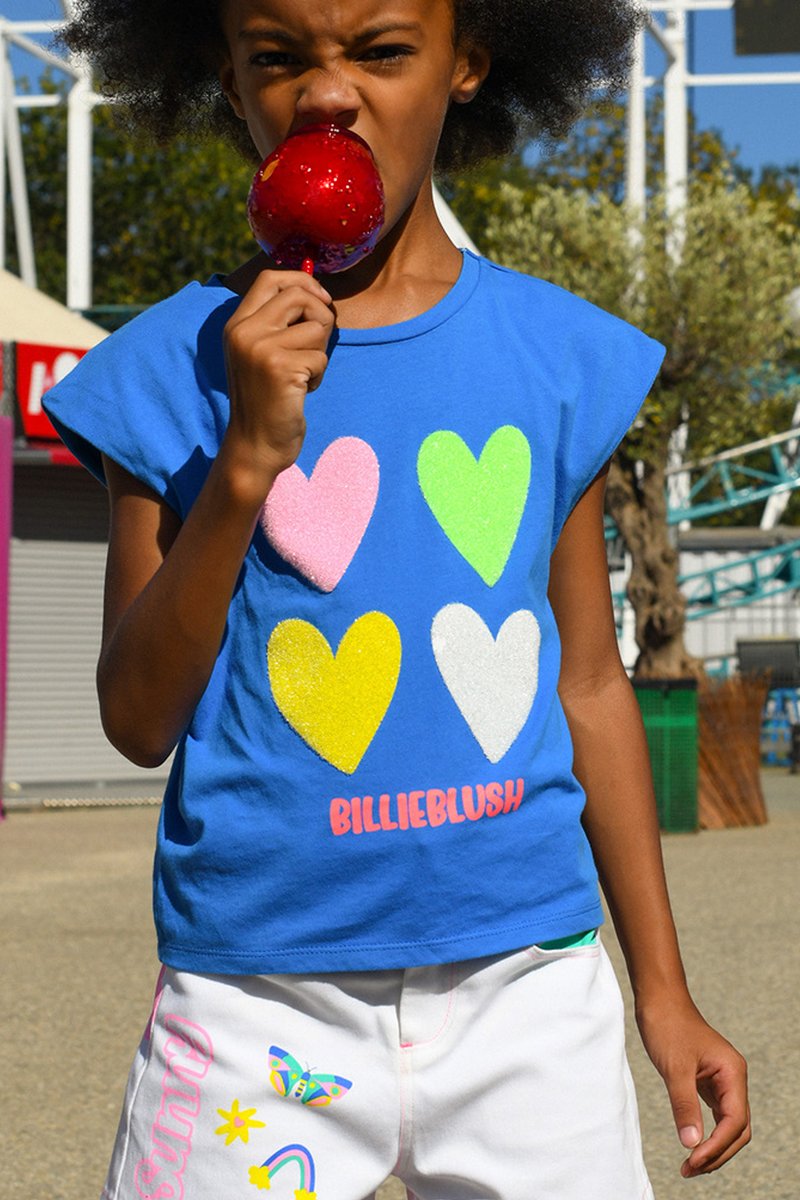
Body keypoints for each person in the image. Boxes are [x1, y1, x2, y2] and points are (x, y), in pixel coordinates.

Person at [44, 1, 750, 1197]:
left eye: (379, 51)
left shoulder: (553, 355)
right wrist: (244, 463)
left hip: (528, 989)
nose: (327, 95)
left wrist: (663, 994)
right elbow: (136, 717)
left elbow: (588, 684)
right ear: (224, 74)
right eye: (278, 58)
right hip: (251, 999)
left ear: (467, 60)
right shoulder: (164, 368)